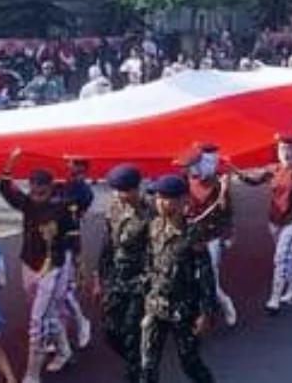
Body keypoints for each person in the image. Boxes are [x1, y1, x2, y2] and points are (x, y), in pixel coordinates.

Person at [0, 149, 74, 382]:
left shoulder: (63, 208)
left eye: (42, 190)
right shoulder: (27, 203)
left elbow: (73, 239)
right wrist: (9, 164)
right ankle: (64, 350)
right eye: (33, 189)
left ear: (51, 188)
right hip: (28, 264)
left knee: (37, 321)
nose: (36, 194)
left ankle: (32, 373)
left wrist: (73, 267)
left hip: (51, 268)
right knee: (46, 313)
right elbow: (5, 189)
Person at [140, 174, 217, 383]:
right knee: (147, 363)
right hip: (155, 306)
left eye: (166, 198)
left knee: (190, 362)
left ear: (183, 200)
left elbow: (206, 274)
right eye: (157, 198)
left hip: (183, 309)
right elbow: (149, 261)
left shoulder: (193, 233)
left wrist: (206, 312)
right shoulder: (154, 227)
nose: (160, 203)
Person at [235, 136, 292, 314]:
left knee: (281, 256)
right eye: (283, 148)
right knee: (287, 255)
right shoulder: (274, 169)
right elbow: (254, 181)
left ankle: (275, 298)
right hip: (274, 220)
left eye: (290, 148)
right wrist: (237, 172)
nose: (286, 151)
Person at [93, 164, 152, 383]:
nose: (120, 195)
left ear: (138, 189)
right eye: (116, 190)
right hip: (117, 280)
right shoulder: (115, 207)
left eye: (125, 190)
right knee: (110, 332)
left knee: (131, 332)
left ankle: (136, 374)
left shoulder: (152, 214)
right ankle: (140, 362)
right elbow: (107, 244)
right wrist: (98, 278)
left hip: (141, 283)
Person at [175, 143, 237, 328]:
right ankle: (200, 312)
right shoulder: (186, 179)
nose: (192, 169)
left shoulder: (217, 183)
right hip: (191, 235)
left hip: (211, 236)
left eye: (195, 165)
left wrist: (228, 234)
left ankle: (225, 304)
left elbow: (226, 211)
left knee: (210, 278)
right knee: (190, 275)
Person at [54, 157, 94, 351]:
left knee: (64, 293)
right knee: (45, 293)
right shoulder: (55, 184)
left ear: (83, 168)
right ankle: (54, 334)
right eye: (69, 161)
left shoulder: (84, 191)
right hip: (46, 244)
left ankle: (81, 322)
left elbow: (75, 223)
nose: (70, 165)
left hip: (66, 243)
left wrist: (78, 254)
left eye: (75, 162)